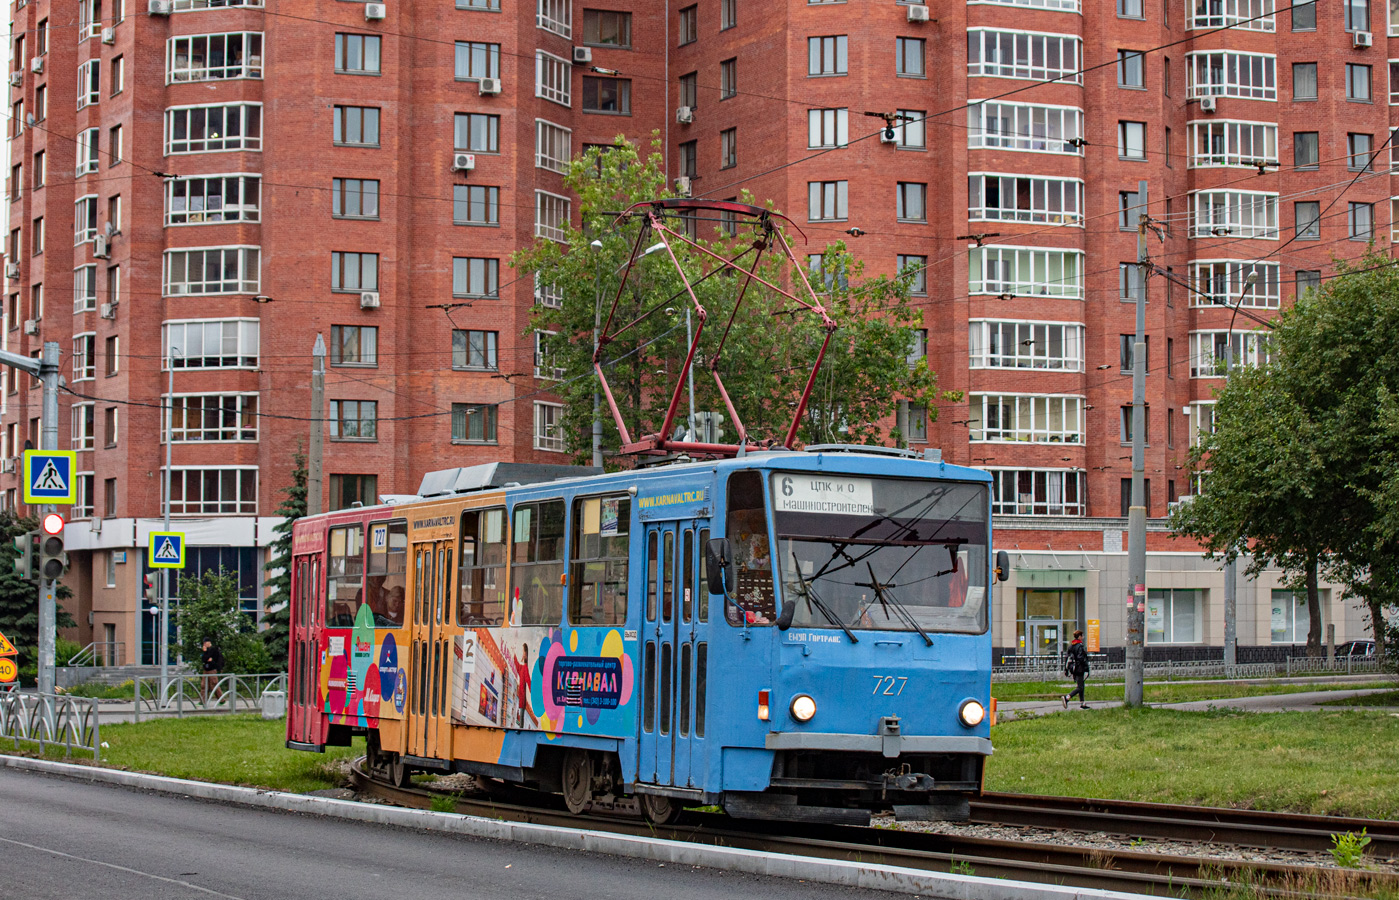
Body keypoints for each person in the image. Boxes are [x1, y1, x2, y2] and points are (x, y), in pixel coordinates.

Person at [1062, 631, 1090, 709]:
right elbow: (1081, 658)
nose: (1083, 637)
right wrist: (1086, 667)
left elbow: (1067, 657)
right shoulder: (1080, 646)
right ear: (1079, 636)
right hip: (1080, 668)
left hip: (1073, 668)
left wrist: (1066, 669)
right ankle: (1067, 697)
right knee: (1080, 687)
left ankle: (1082, 703)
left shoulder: (1071, 646)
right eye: (1082, 636)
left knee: (1081, 685)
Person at [200, 639, 225, 704]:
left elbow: (209, 658)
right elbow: (204, 659)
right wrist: (205, 653)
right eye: (204, 643)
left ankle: (221, 700)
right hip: (206, 669)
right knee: (204, 685)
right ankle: (203, 701)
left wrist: (206, 654)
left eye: (205, 643)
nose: (204, 644)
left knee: (214, 685)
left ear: (209, 642)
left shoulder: (214, 650)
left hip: (212, 669)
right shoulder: (206, 651)